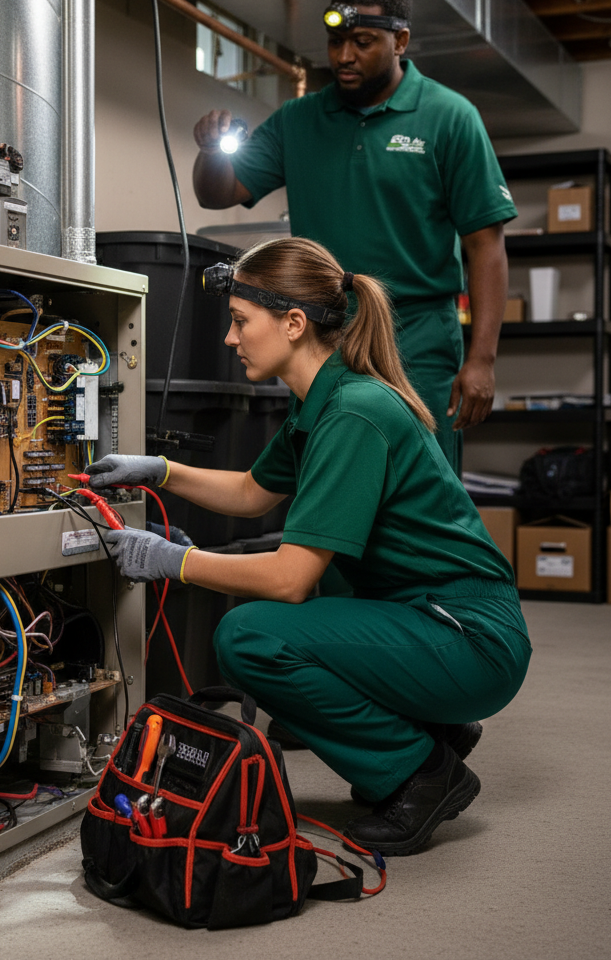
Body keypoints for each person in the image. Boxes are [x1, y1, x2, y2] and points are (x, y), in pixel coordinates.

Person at [85, 238, 531, 856]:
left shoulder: (353, 413)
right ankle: (435, 729)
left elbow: (290, 579)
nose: (230, 339)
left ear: (294, 323)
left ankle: (422, 772)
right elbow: (250, 492)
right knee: (283, 657)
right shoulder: (321, 403)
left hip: (470, 638)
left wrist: (173, 562)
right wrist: (157, 469)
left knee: (249, 639)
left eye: (241, 322)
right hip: (431, 621)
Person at [192, 0, 518, 474]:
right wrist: (212, 149)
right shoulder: (298, 120)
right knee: (331, 472)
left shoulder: (449, 117)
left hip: (419, 337)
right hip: (328, 333)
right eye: (336, 42)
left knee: (420, 478)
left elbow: (486, 246)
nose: (344, 56)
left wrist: (483, 360)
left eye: (362, 43)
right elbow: (218, 193)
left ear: (400, 41)